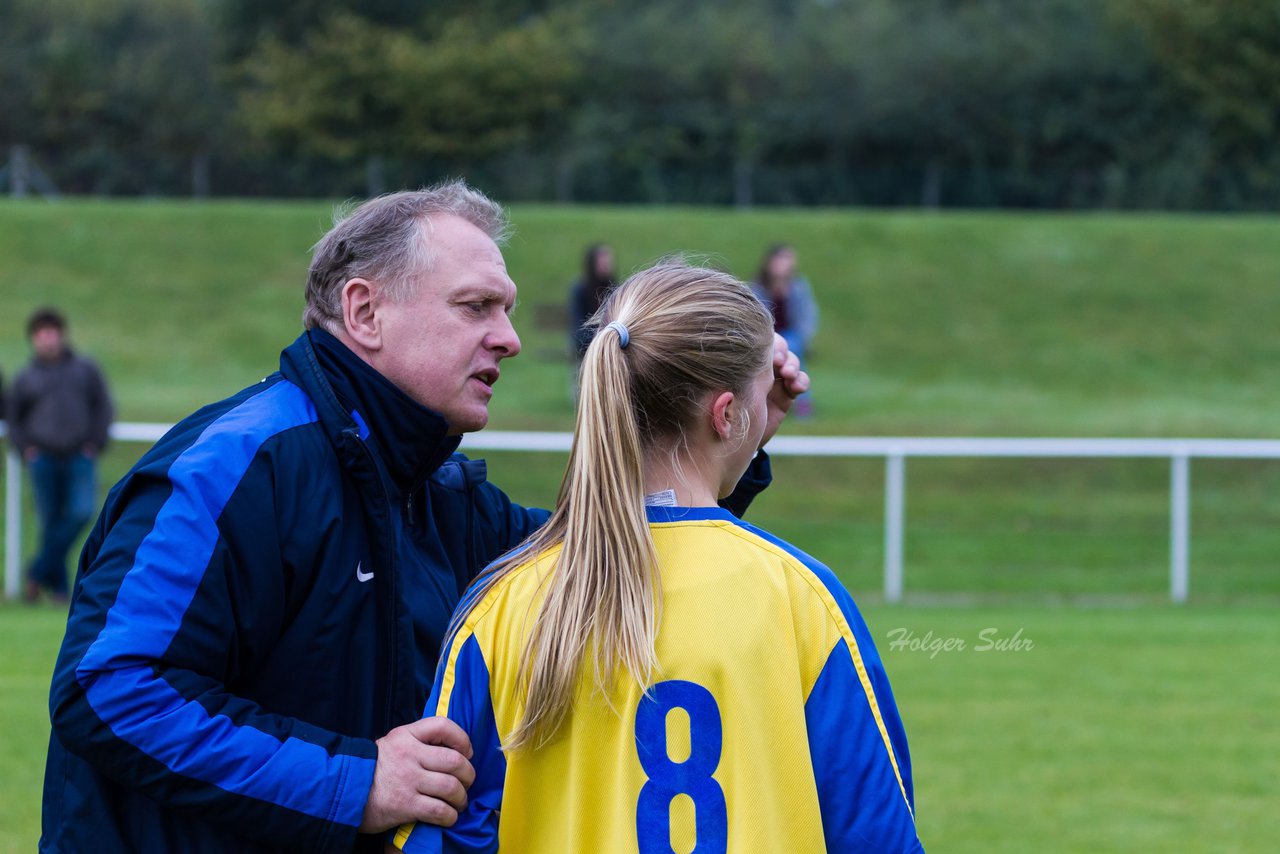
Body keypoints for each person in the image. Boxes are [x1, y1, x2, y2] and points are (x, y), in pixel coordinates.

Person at [41, 183, 807, 853]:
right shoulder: (237, 467)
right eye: (476, 306)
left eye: (505, 310)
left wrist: (730, 442)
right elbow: (108, 687)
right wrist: (356, 782)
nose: (509, 339)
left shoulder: (439, 490)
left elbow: (598, 566)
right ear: (365, 311)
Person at [393, 262, 921, 853]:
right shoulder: (801, 598)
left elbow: (442, 838)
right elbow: (876, 835)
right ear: (726, 415)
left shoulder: (502, 606)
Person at [6, 308, 113, 604]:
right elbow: (14, 418)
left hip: (80, 454)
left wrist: (95, 441)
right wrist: (25, 448)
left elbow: (103, 406)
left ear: (61, 335)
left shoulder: (85, 370)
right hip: (43, 457)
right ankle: (60, 592)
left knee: (80, 512)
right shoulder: (26, 377)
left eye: (52, 332)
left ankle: (37, 571)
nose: (48, 340)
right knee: (50, 522)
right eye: (41, 334)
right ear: (33, 339)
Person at [751, 243, 818, 416]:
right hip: (768, 335)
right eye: (782, 258)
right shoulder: (758, 288)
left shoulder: (798, 287)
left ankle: (801, 401)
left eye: (789, 259)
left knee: (793, 349)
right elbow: (754, 316)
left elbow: (808, 314)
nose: (787, 263)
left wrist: (804, 336)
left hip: (792, 334)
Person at [567, 243, 617, 359]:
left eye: (608, 262)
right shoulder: (581, 291)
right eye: (602, 262)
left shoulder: (615, 289)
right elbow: (577, 330)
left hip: (612, 348)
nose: (606, 265)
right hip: (588, 348)